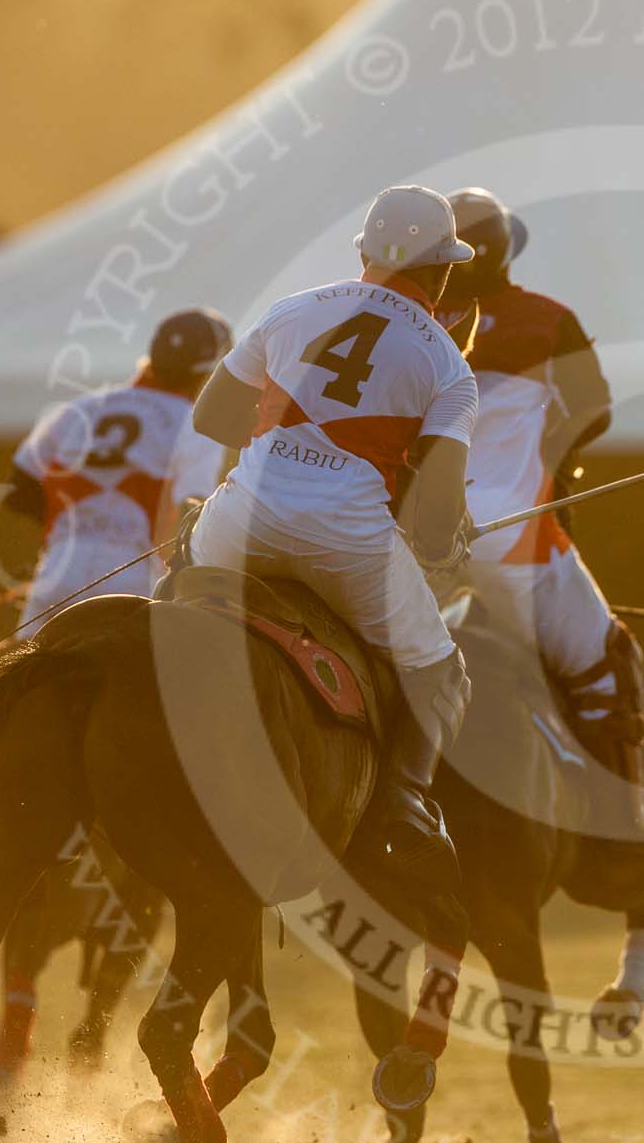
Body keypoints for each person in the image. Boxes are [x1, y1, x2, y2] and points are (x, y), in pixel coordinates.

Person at [185, 185, 477, 888]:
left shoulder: (291, 309)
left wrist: (281, 447)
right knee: (443, 671)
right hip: (345, 545)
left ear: (368, 254)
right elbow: (435, 514)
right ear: (442, 271)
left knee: (173, 594)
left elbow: (211, 416)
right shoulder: (447, 363)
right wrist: (444, 542)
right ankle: (401, 808)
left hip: (239, 526)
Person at [437, 186, 644, 903]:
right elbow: (594, 411)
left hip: (410, 542)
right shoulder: (547, 319)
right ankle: (622, 845)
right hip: (507, 539)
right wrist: (552, 457)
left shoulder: (409, 322)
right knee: (607, 662)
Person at [2, 308, 232, 633]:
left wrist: (74, 532)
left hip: (59, 568)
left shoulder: (79, 408)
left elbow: (17, 492)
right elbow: (190, 511)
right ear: (208, 371)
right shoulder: (196, 426)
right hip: (132, 578)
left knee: (14, 674)